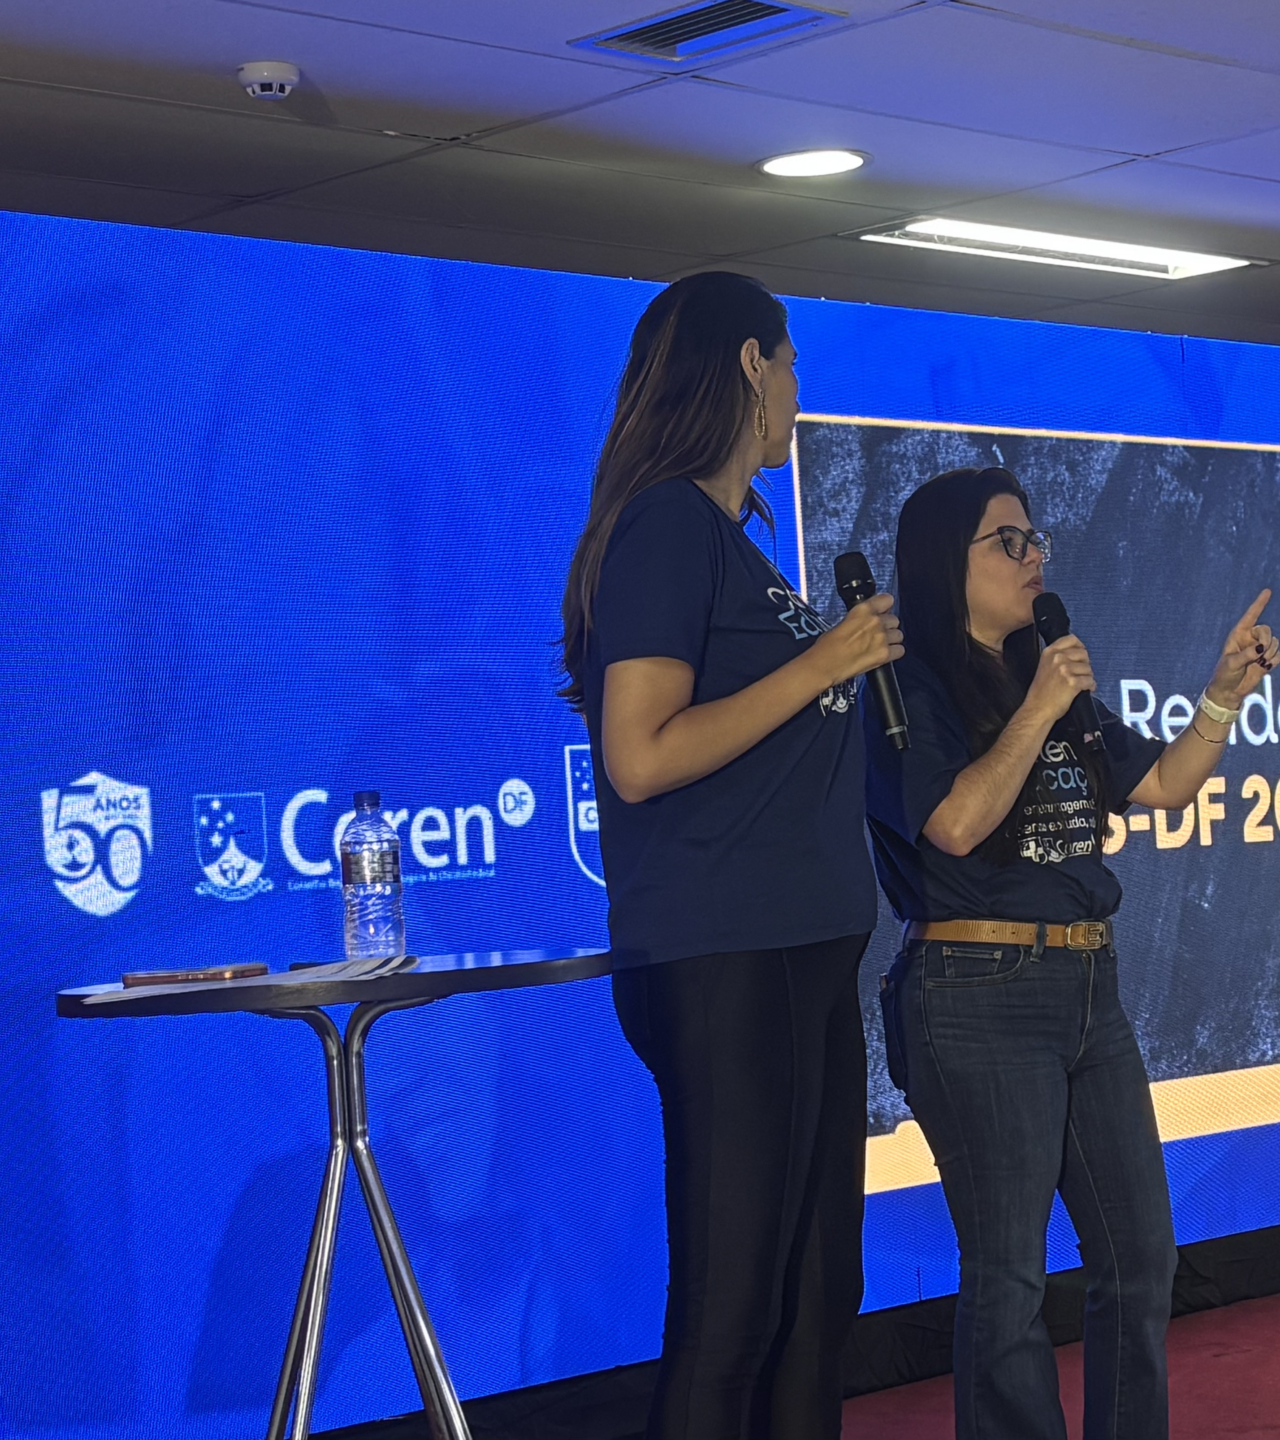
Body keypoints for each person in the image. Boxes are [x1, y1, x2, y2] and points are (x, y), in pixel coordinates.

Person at [864, 466, 1280, 1440]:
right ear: (945, 560)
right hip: (976, 993)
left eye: (1035, 538)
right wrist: (1039, 708)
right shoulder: (901, 685)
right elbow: (954, 823)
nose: (1034, 556)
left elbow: (1165, 785)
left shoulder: (1044, 674)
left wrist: (1223, 696)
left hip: (1090, 984)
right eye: (1007, 541)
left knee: (1141, 1256)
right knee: (1008, 1275)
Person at [557, 271, 903, 1440]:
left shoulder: (729, 539)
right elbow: (640, 754)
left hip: (802, 954)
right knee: (731, 1313)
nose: (799, 391)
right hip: (728, 962)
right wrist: (823, 663)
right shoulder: (664, 524)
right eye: (792, 363)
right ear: (751, 365)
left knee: (816, 1300)